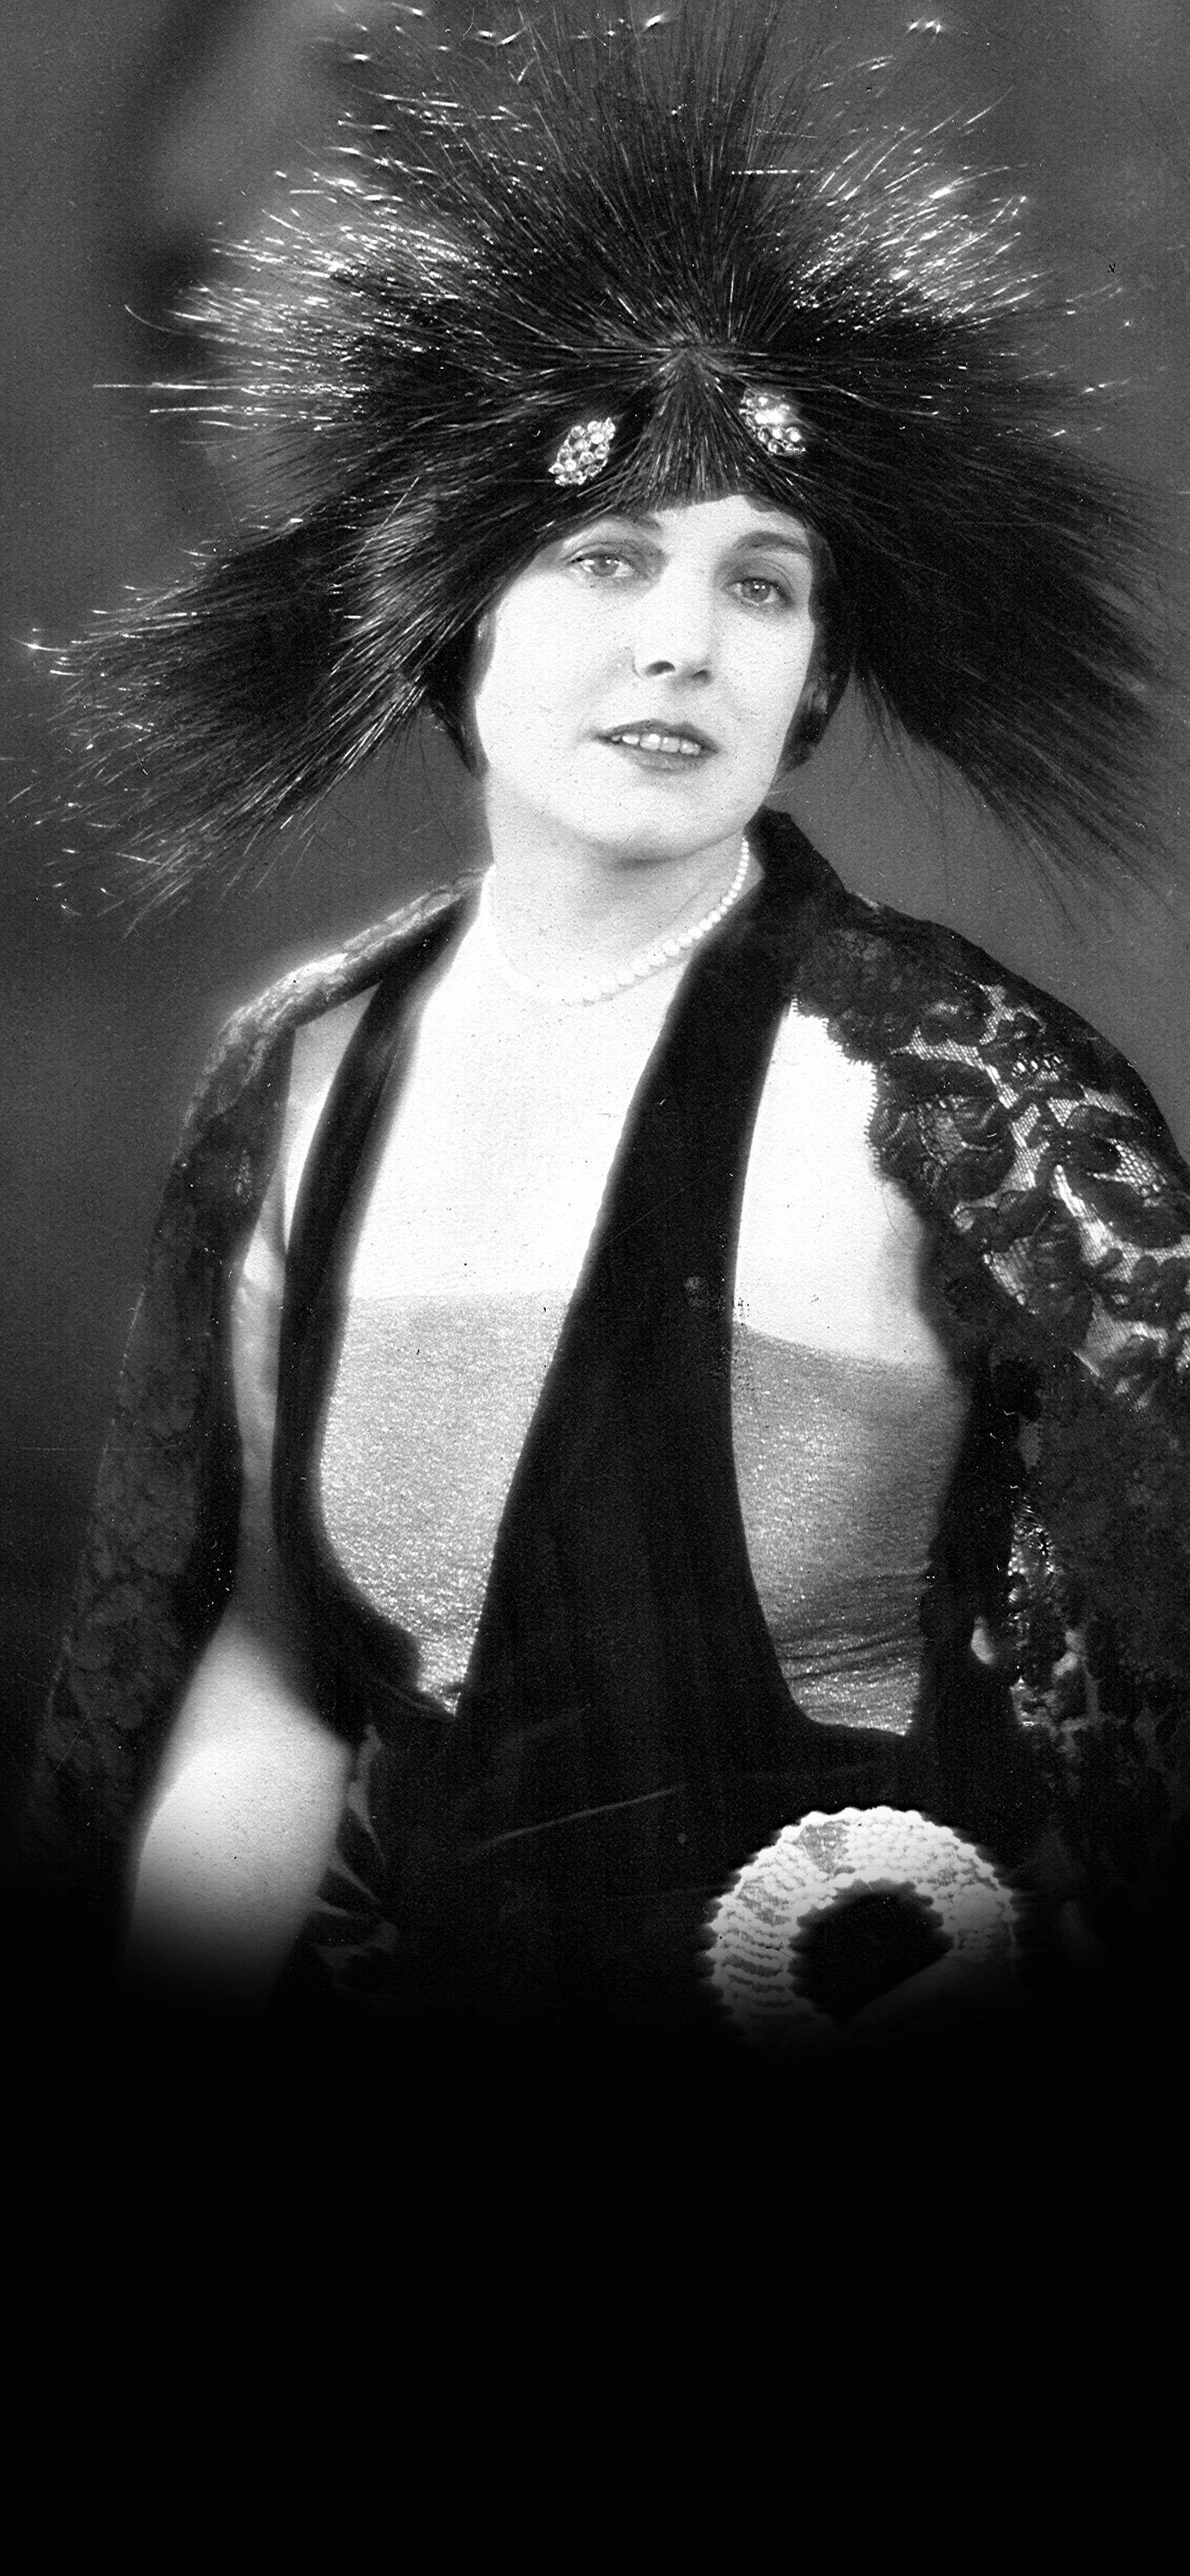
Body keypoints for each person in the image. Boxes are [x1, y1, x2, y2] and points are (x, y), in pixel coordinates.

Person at [28, 11, 1190, 2063]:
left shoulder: (965, 1096)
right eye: (606, 559)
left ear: (815, 673)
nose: (682, 642)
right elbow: (275, 1682)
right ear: (452, 618)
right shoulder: (304, 1081)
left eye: (765, 584)